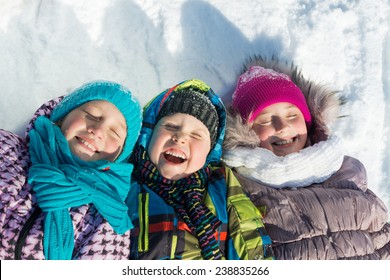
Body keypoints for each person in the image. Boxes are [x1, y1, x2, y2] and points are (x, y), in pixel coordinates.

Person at [222, 56, 390, 260]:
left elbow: (382, 241)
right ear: (246, 133)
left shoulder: (346, 174)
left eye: (292, 116)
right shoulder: (240, 189)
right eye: (266, 120)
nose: (282, 127)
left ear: (308, 122)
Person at [126, 79, 274, 260]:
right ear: (148, 135)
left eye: (196, 135)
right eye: (170, 126)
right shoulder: (125, 182)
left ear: (209, 153)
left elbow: (249, 242)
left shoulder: (220, 186)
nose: (180, 137)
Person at [0, 81, 142, 260]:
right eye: (91, 115)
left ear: (120, 157)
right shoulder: (7, 149)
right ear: (62, 117)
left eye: (115, 132)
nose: (97, 130)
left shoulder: (106, 220)